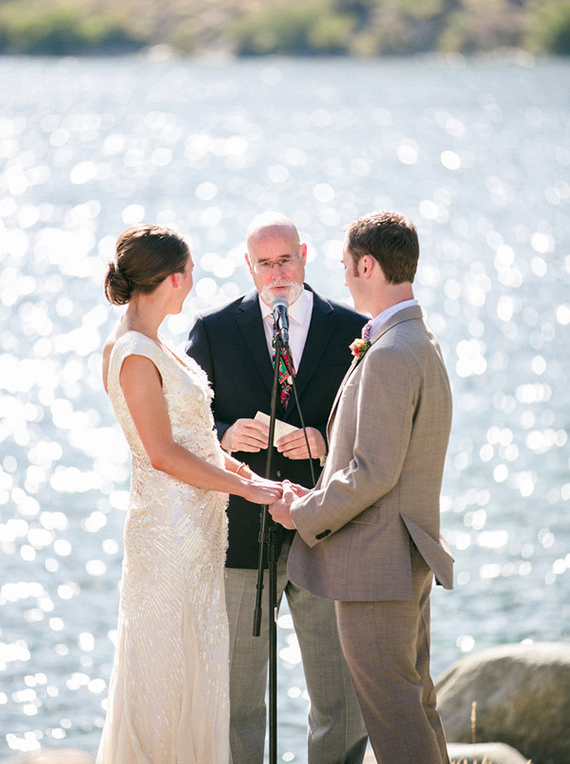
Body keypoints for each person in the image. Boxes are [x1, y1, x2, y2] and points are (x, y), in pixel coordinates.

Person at [270, 211, 454, 764]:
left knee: (395, 716)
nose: (345, 278)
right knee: (414, 706)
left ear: (367, 265)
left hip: (377, 567)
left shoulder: (392, 353)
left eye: (347, 267)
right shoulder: (418, 340)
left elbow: (373, 472)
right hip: (405, 557)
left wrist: (302, 511)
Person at [186, 213, 368, 764]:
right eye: (264, 263)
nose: (276, 272)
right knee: (238, 702)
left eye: (285, 259)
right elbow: (186, 424)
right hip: (241, 539)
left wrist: (324, 439)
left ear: (305, 255)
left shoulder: (353, 329)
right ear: (249, 265)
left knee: (338, 702)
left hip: (326, 533)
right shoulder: (214, 330)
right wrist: (223, 432)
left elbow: (372, 428)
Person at [97, 225, 281, 764]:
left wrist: (252, 480)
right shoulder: (133, 354)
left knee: (199, 665)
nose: (194, 281)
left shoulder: (154, 343)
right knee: (166, 672)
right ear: (174, 279)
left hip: (199, 534)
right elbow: (162, 454)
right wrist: (244, 491)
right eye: (192, 271)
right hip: (170, 538)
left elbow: (195, 441)